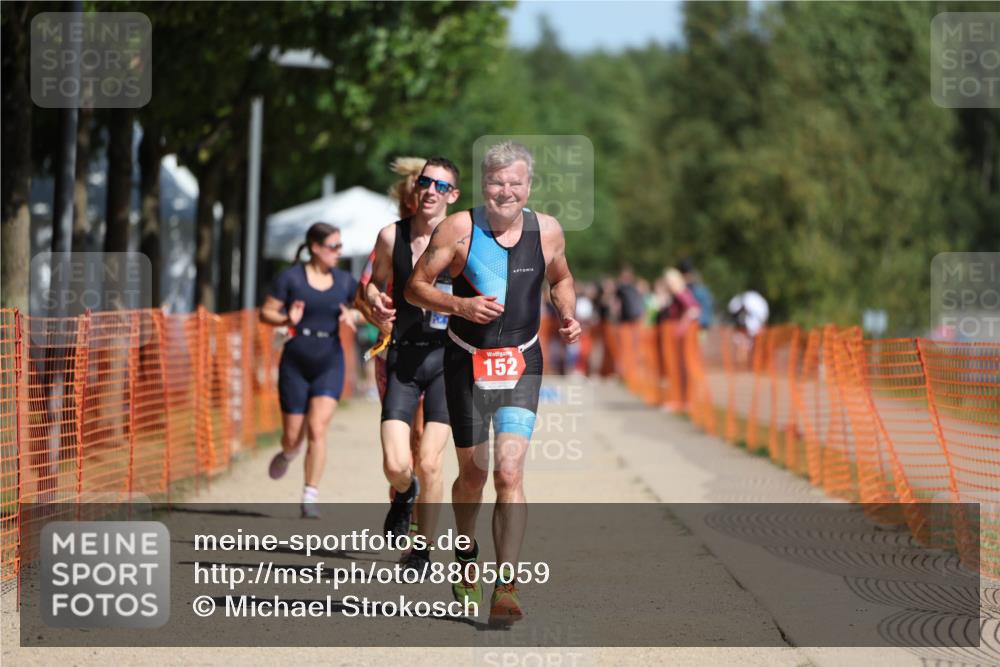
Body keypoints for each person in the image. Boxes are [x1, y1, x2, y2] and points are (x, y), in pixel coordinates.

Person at [406, 141, 580, 624]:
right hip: (464, 362)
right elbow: (415, 286)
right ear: (485, 185)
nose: (506, 191)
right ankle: (465, 556)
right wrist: (459, 306)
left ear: (529, 186)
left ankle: (506, 585)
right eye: (498, 182)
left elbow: (561, 278)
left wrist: (566, 312)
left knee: (509, 473)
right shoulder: (459, 228)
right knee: (475, 475)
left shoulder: (547, 231)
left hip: (522, 363)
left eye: (516, 183)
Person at [361, 157, 462, 571]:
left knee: (431, 459)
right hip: (403, 356)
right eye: (425, 183)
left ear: (452, 196)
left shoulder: (467, 240)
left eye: (441, 186)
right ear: (415, 188)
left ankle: (421, 546)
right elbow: (369, 285)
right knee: (397, 465)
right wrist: (373, 302)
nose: (431, 191)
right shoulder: (390, 237)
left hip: (447, 359)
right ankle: (405, 493)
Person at [260, 222, 358, 518]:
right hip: (295, 360)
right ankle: (288, 453)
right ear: (315, 248)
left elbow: (368, 310)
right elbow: (266, 312)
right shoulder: (291, 278)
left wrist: (354, 314)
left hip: (329, 359)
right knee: (292, 436)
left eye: (340, 246)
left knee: (317, 429)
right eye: (333, 246)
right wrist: (285, 318)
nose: (339, 252)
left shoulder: (344, 282)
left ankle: (309, 494)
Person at [658, 268, 701, 411]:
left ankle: (681, 400)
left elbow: (693, 310)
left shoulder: (681, 293)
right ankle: (682, 400)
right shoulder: (677, 294)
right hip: (677, 337)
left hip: (680, 338)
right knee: (678, 368)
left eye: (670, 281)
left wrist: (682, 327)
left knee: (679, 367)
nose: (668, 284)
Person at [728, 289, 770, 366]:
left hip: (757, 327)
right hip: (757, 325)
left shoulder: (751, 304)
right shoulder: (749, 301)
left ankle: (754, 363)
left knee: (749, 344)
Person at [678, 258, 715, 330]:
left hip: (698, 329)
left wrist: (694, 317)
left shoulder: (701, 291)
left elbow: (706, 316)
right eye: (684, 274)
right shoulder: (681, 291)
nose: (686, 276)